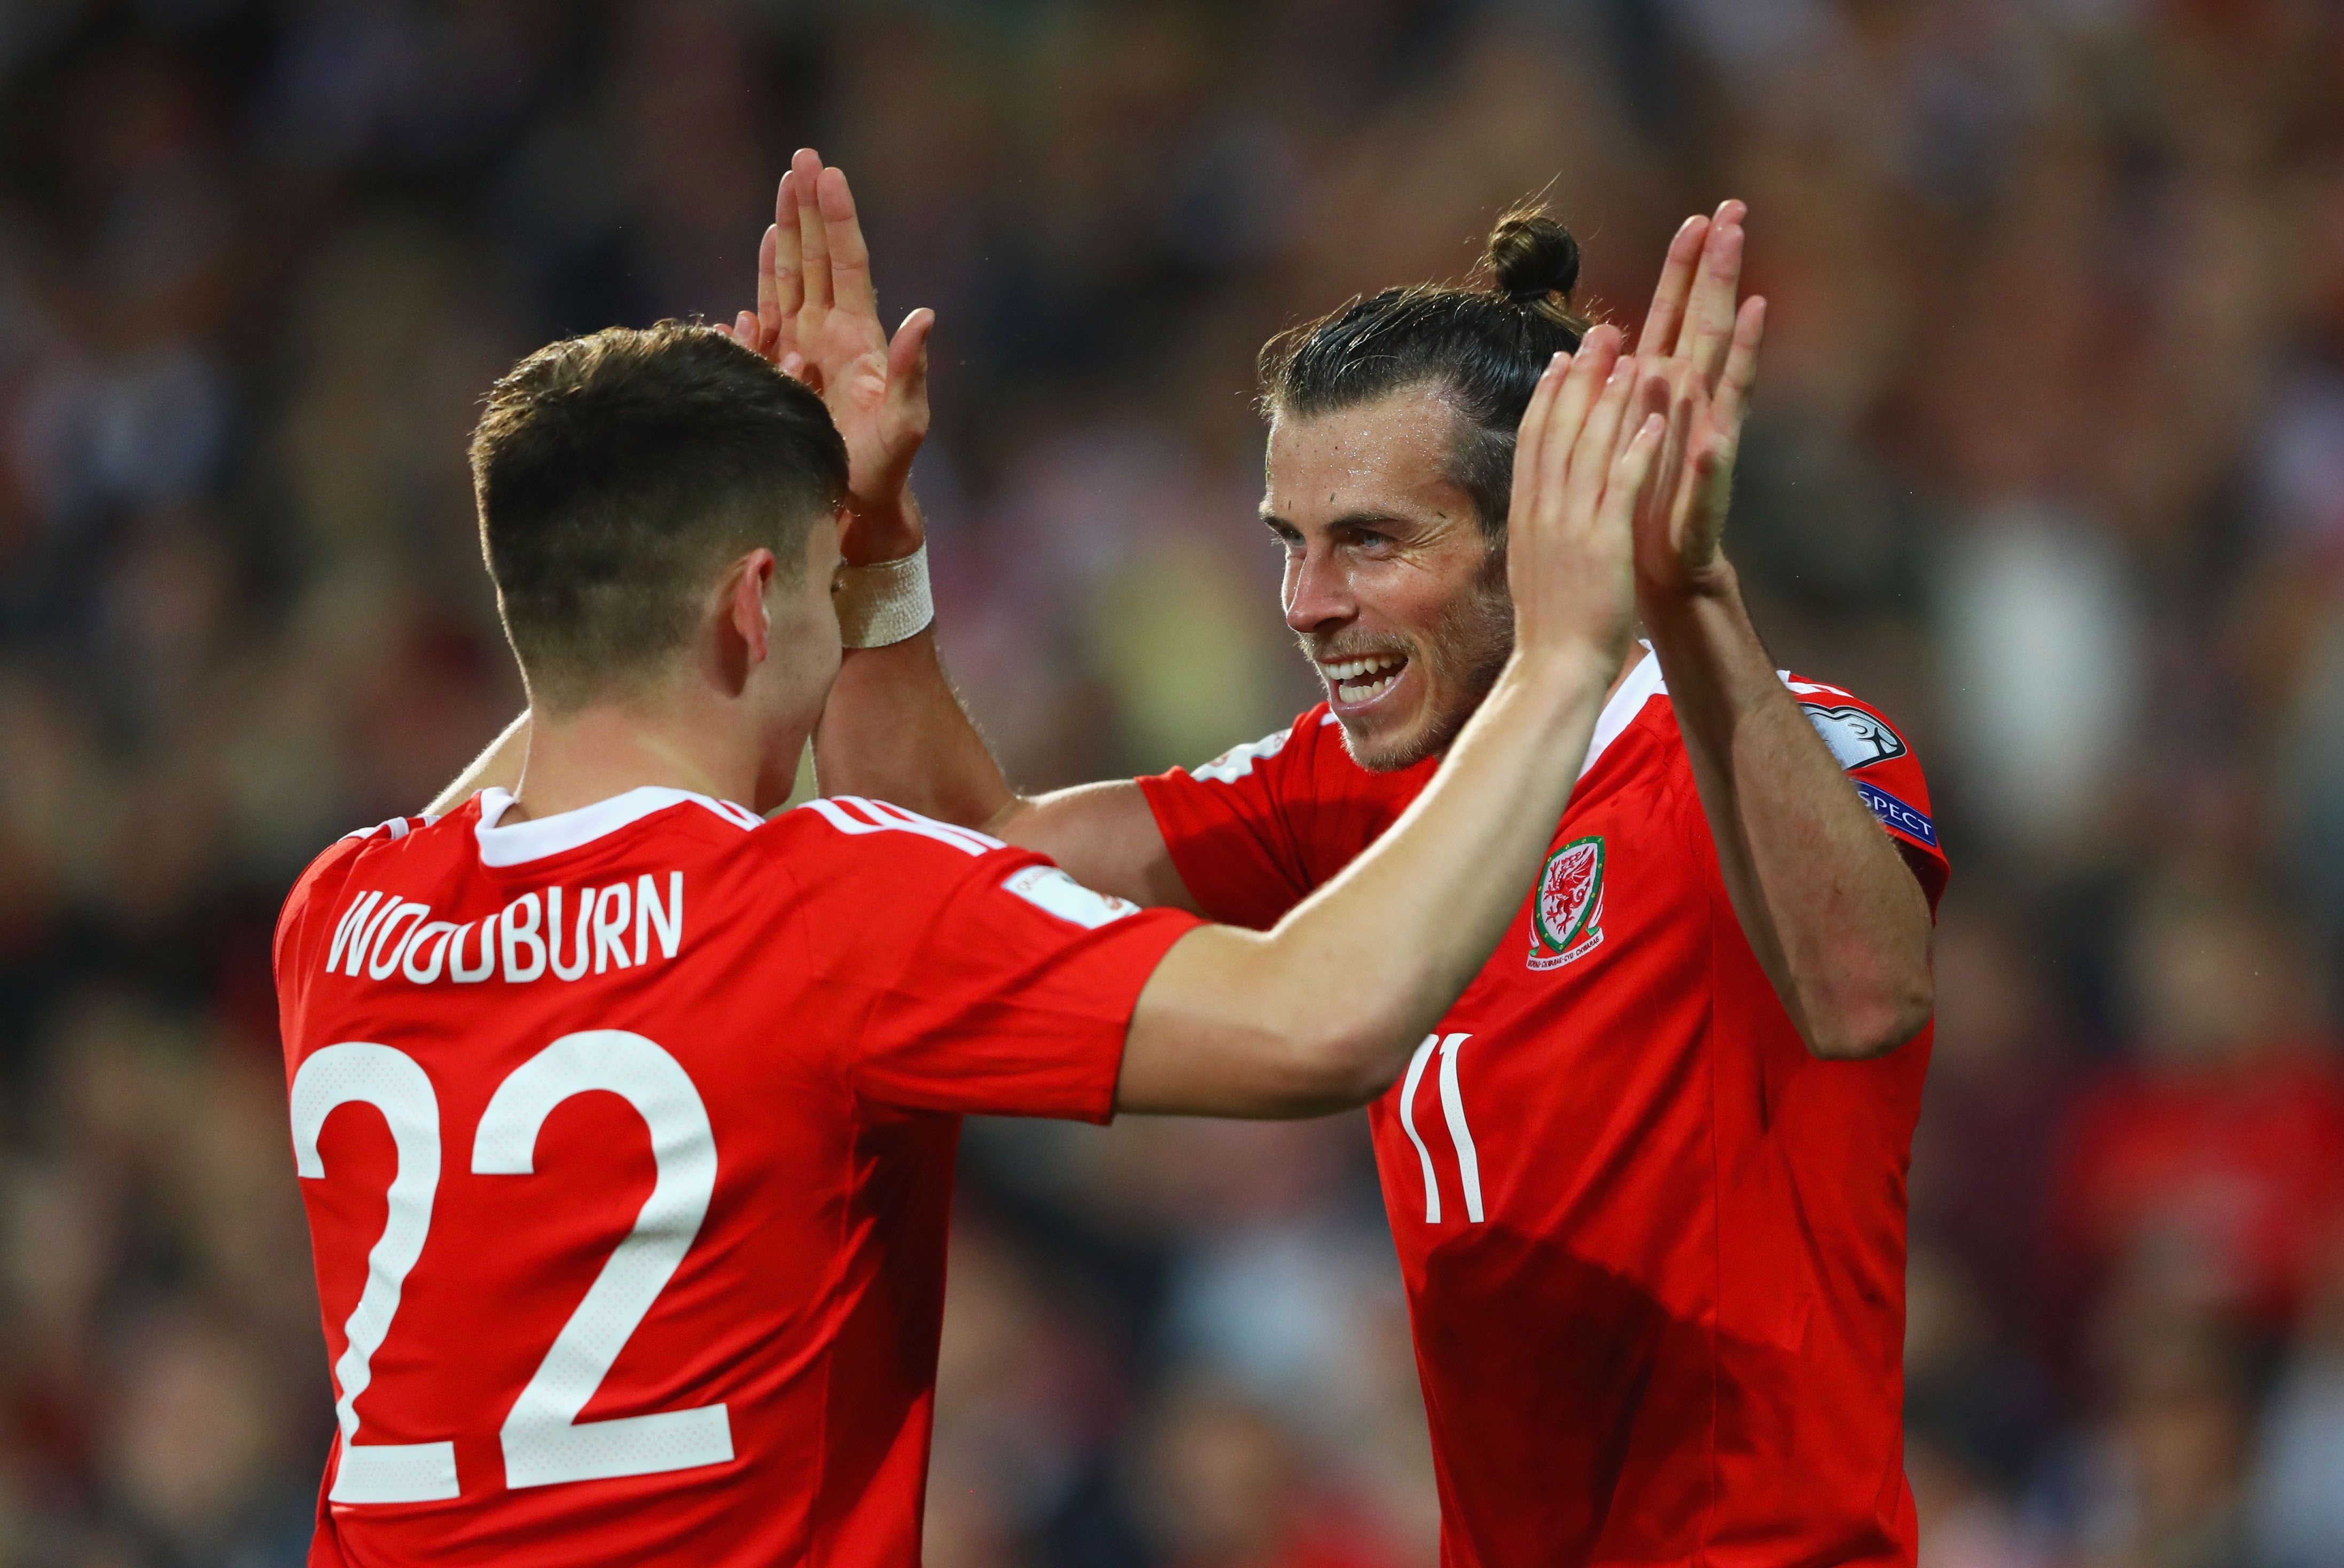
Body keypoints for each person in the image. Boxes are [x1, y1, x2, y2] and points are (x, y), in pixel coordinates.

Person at [272, 319, 1669, 1565]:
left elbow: (574, 711)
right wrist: (1561, 655)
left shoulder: (339, 917)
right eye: (822, 585)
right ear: (756, 606)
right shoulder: (818, 905)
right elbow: (1322, 1022)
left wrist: (751, 520)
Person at [757, 151, 1949, 1564]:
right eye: (1291, 544)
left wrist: (1682, 592)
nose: (1307, 605)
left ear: (1536, 531)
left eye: (1372, 543)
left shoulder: (1773, 745)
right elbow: (956, 857)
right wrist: (869, 539)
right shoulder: (1349, 785)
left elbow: (1865, 995)